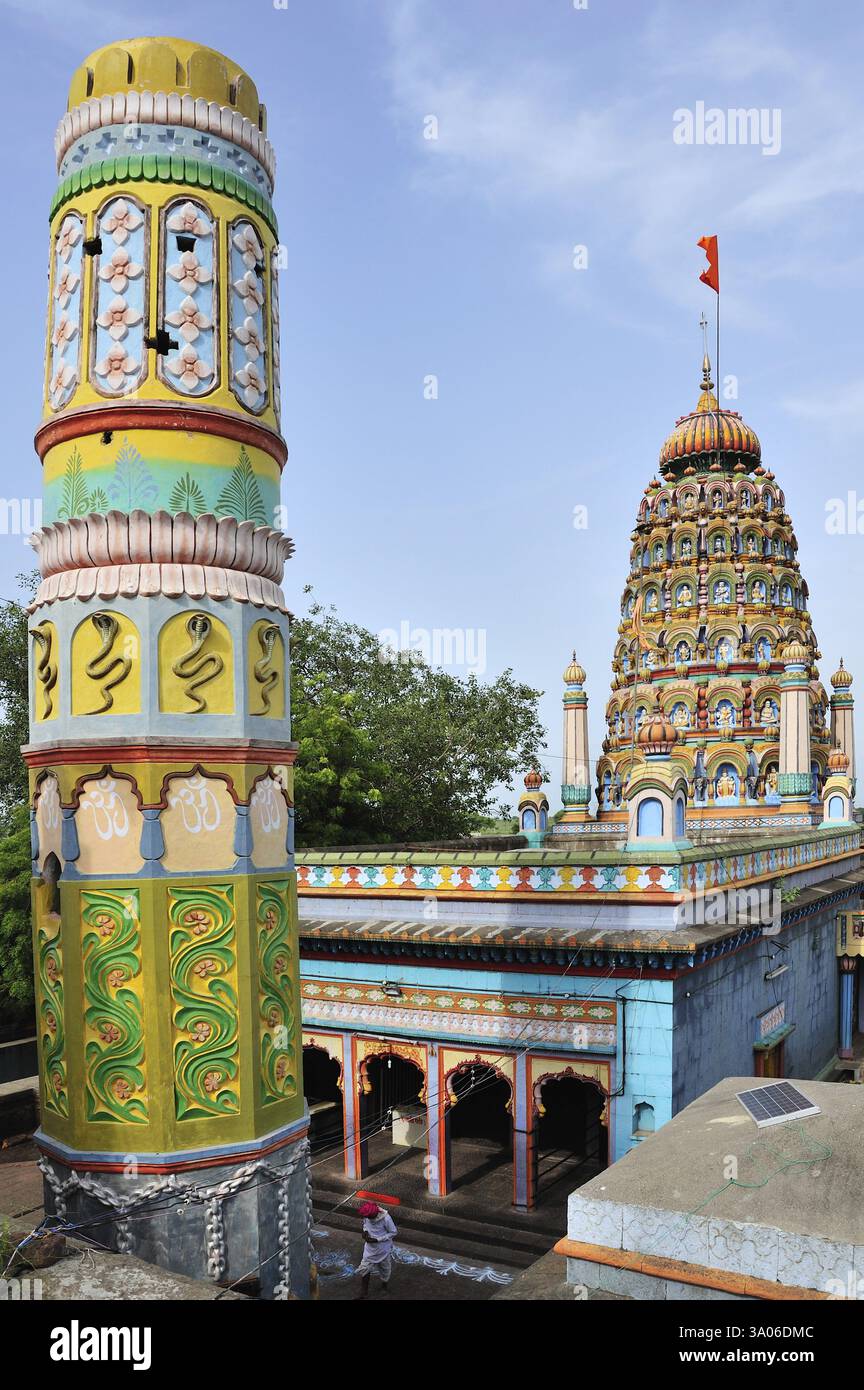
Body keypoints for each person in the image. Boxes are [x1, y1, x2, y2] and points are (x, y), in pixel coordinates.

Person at [356, 1200, 397, 1298]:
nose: (369, 1218)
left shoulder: (386, 1218)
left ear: (375, 1214)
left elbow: (393, 1232)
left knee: (385, 1268)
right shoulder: (367, 1216)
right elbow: (365, 1224)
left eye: (370, 1217)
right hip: (370, 1248)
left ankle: (384, 1285)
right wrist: (365, 1231)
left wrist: (378, 1239)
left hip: (383, 1248)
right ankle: (363, 1292)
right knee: (365, 1267)